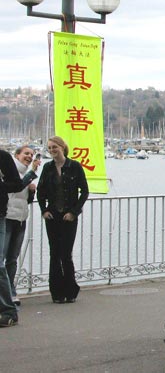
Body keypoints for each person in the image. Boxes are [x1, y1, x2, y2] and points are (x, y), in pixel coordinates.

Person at [36, 136, 89, 304]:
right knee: (54, 253)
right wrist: (44, 210)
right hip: (52, 216)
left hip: (69, 217)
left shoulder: (74, 166)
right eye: (50, 148)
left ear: (62, 147)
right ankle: (56, 292)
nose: (52, 150)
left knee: (66, 254)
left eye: (55, 147)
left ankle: (70, 291)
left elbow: (84, 191)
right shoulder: (48, 168)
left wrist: (74, 212)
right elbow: (40, 191)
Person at [1, 147, 36, 327]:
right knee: (6, 259)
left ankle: (9, 305)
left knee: (9, 260)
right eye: (26, 154)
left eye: (31, 154)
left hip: (13, 218)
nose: (29, 157)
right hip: (10, 217)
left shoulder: (4, 158)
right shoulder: (13, 166)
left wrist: (31, 189)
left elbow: (17, 189)